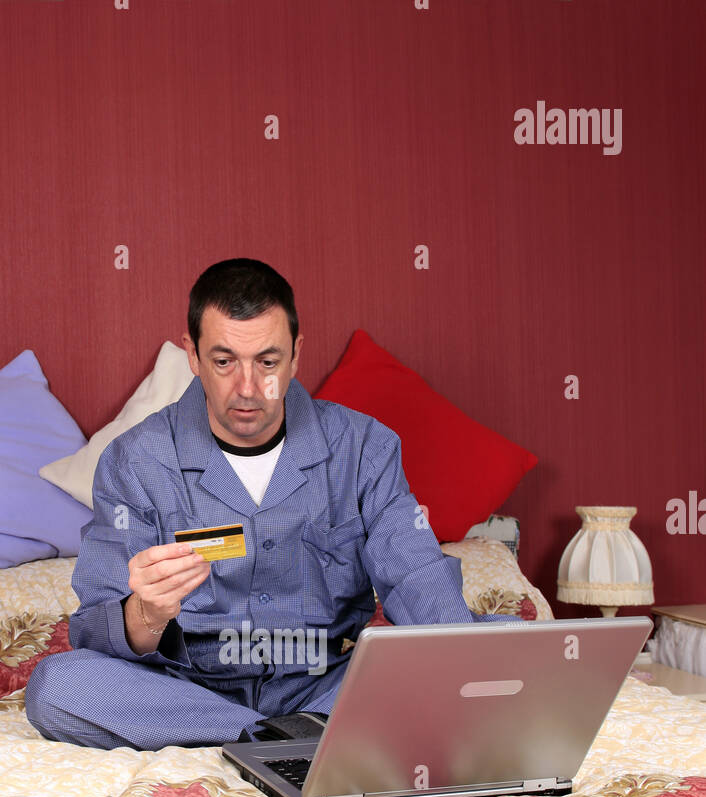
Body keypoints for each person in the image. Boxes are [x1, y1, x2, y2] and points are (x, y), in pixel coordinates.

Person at [25, 258, 519, 751]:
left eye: (267, 362)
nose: (248, 388)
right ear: (193, 356)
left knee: (506, 645)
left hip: (324, 683)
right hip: (187, 689)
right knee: (59, 688)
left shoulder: (363, 446)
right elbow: (96, 628)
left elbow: (415, 574)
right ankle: (274, 734)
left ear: (295, 355)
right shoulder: (134, 461)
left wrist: (464, 662)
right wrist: (147, 612)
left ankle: (286, 728)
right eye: (224, 362)